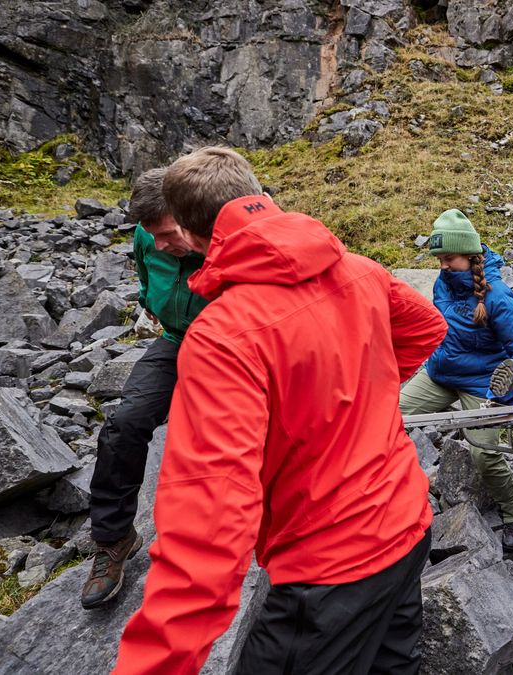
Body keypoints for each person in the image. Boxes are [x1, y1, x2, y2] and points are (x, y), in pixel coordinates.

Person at [113, 147, 448, 673]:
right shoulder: (360, 269)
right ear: (262, 198)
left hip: (329, 568)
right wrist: (365, 394)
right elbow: (426, 326)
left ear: (195, 237)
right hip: (406, 521)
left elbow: (210, 527)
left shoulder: (222, 336)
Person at [80, 167, 209, 610]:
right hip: (174, 340)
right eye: (148, 234)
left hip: (226, 347)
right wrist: (148, 300)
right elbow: (144, 275)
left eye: (167, 233)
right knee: (124, 423)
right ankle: (114, 539)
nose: (157, 244)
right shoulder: (146, 235)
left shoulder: (221, 238)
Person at [399, 208, 513, 554]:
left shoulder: (496, 295)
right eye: (439, 259)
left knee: (485, 456)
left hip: (481, 383)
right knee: (389, 418)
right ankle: (394, 497)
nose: (442, 266)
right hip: (439, 374)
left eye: (449, 258)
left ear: (469, 254)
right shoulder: (443, 283)